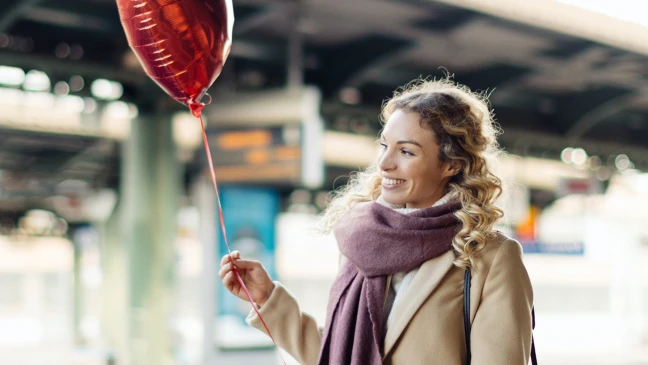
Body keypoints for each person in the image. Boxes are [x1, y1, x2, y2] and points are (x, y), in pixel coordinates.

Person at [219, 78, 534, 365]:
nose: (384, 163)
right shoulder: (364, 242)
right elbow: (339, 354)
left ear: (451, 164)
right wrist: (266, 299)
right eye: (385, 146)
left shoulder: (490, 258)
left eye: (406, 152)